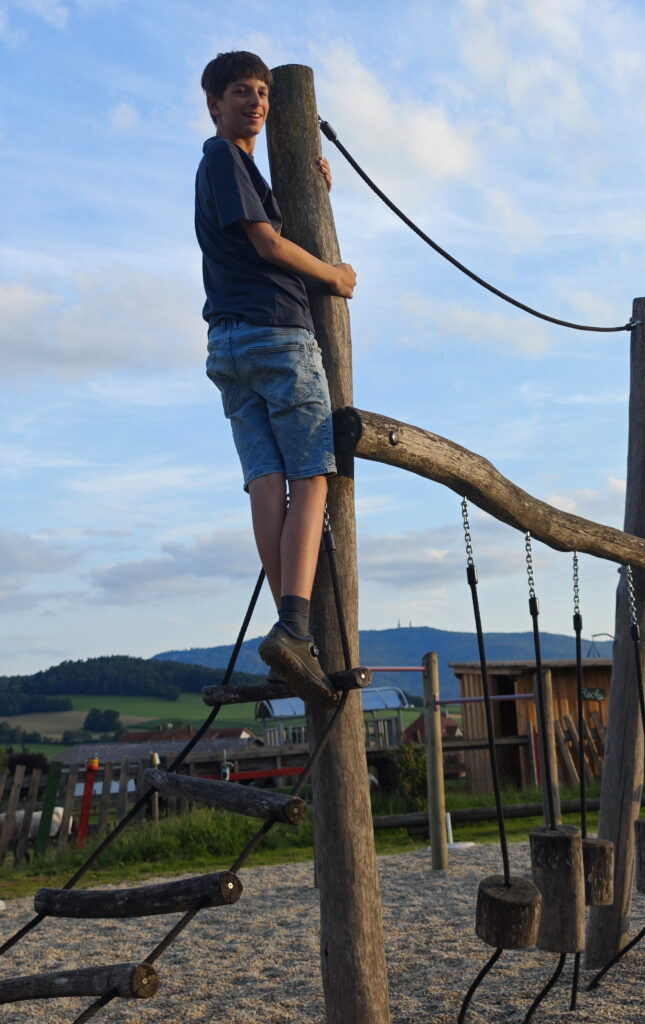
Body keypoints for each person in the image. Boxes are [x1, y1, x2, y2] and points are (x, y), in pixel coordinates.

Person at [195, 50, 356, 700]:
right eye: (242, 91)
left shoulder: (236, 170)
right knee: (312, 471)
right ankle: (294, 625)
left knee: (267, 480)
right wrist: (334, 276)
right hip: (274, 334)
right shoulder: (223, 158)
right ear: (214, 103)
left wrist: (314, 190)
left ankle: (291, 629)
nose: (257, 101)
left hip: (230, 346)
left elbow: (267, 227)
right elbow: (267, 244)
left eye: (263, 92)